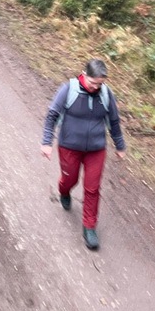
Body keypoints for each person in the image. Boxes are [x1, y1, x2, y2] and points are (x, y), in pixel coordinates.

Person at [40, 59, 126, 250]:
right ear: (84, 74)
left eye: (100, 84)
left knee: (92, 188)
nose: (96, 87)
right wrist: (46, 142)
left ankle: (89, 227)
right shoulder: (68, 89)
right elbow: (52, 115)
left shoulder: (106, 94)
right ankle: (64, 191)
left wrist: (120, 145)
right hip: (69, 146)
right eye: (93, 83)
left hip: (96, 149)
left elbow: (114, 121)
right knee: (70, 180)